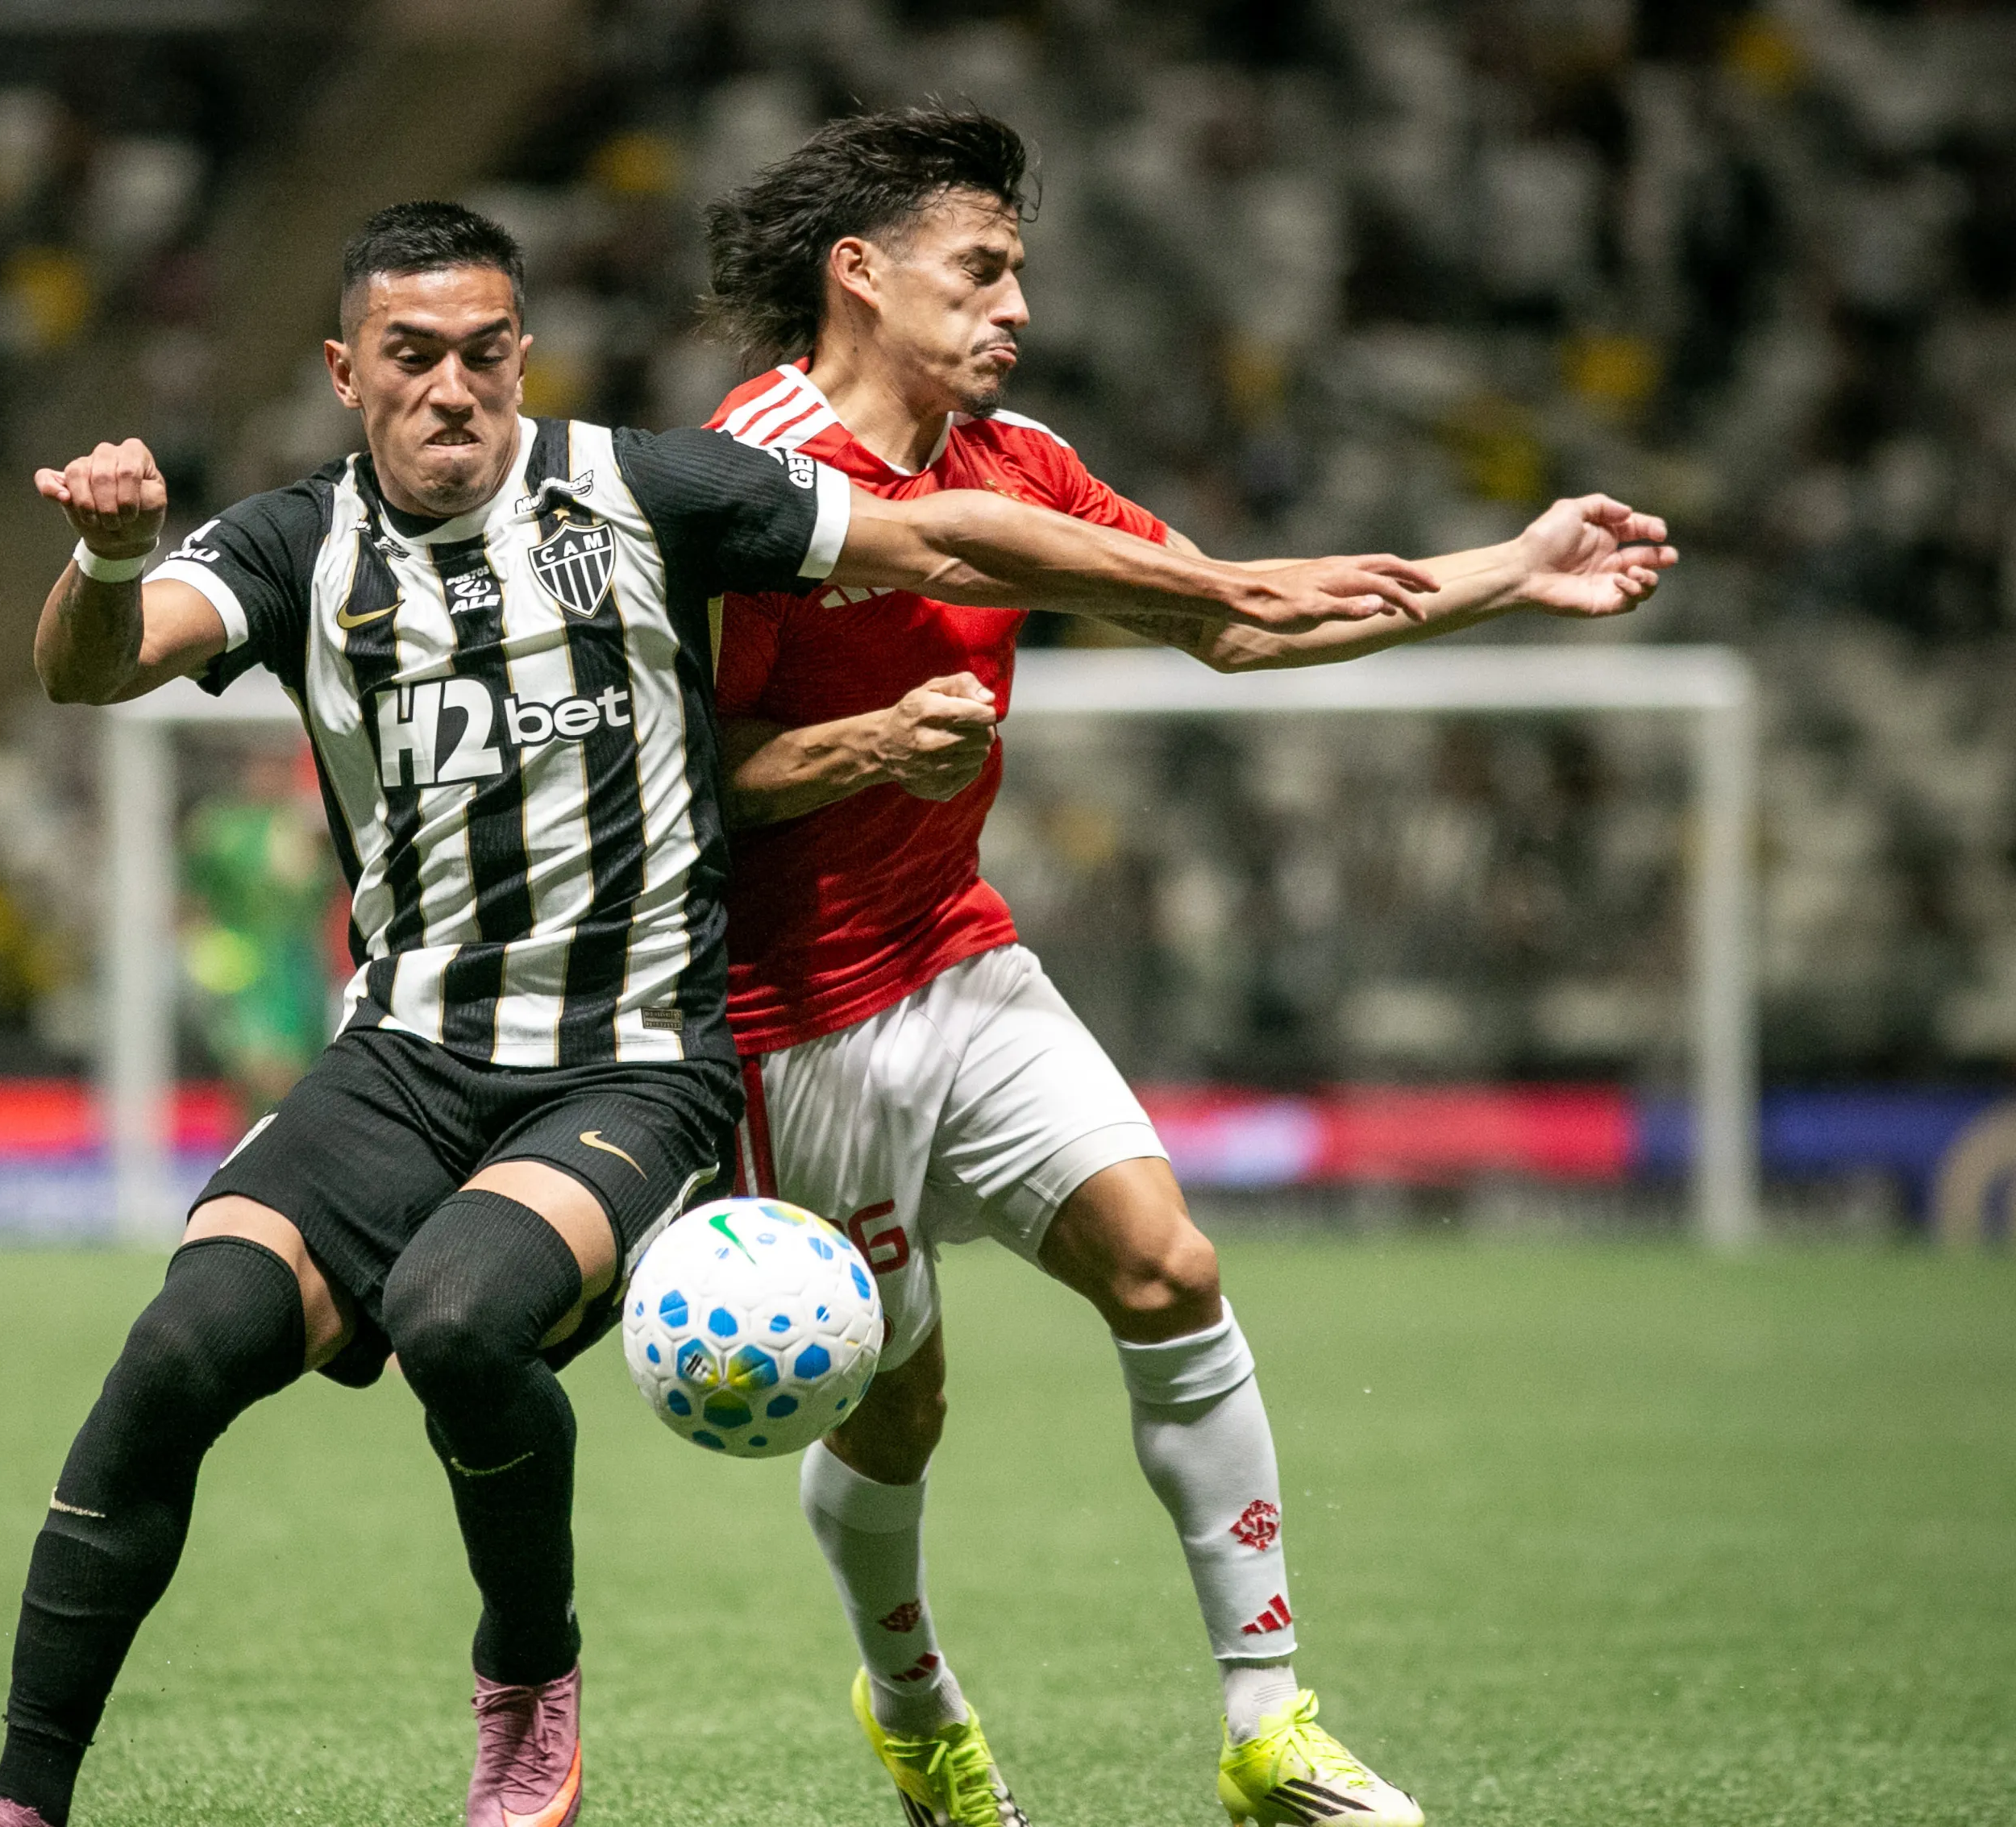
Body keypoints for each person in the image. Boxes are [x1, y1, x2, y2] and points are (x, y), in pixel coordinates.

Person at [0, 200, 1439, 1827]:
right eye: (410, 357)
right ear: (343, 371)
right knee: (178, 1348)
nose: (452, 387)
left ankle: (525, 1680)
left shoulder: (644, 490)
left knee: (456, 1314)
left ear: (524, 353)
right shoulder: (298, 545)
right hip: (400, 1052)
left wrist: (1209, 582)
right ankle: (22, 1795)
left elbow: (936, 540)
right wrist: (103, 553)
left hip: (631, 1061)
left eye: (484, 353)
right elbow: (95, 667)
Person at [698, 109, 1677, 1827]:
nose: (1015, 304)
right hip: (795, 1021)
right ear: (858, 274)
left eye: (1019, 270)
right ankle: (912, 1697)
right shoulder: (749, 475)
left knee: (1167, 1267)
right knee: (895, 1404)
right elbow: (691, 777)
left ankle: (1265, 1724)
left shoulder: (1013, 457)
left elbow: (1225, 616)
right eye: (981, 268)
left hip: (958, 952)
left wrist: (1507, 575)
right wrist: (867, 745)